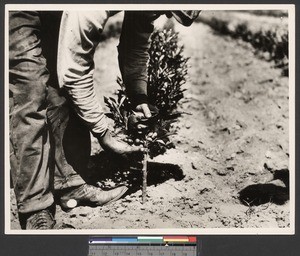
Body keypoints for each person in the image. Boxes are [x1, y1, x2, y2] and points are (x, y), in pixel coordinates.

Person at [9, 10, 200, 230]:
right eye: (168, 10)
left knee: (58, 88)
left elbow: (135, 47)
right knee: (30, 89)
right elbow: (74, 74)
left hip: (59, 12)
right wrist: (104, 134)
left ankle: (70, 184)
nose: (165, 16)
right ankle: (35, 209)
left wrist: (139, 97)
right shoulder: (94, 9)